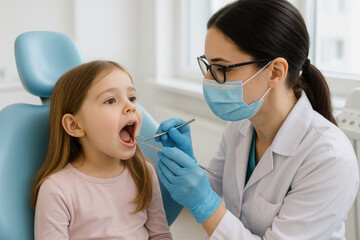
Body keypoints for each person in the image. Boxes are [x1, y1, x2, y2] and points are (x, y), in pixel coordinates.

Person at [155, 0, 359, 239]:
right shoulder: (241, 126)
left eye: (222, 68)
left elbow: (209, 203)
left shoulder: (328, 157)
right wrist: (188, 167)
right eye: (208, 65)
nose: (209, 79)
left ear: (275, 72)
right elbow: (217, 190)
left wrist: (204, 203)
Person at [32, 60, 172, 239]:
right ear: (74, 125)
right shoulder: (57, 190)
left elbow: (160, 234)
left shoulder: (144, 173)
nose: (131, 106)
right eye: (110, 100)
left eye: (132, 98)